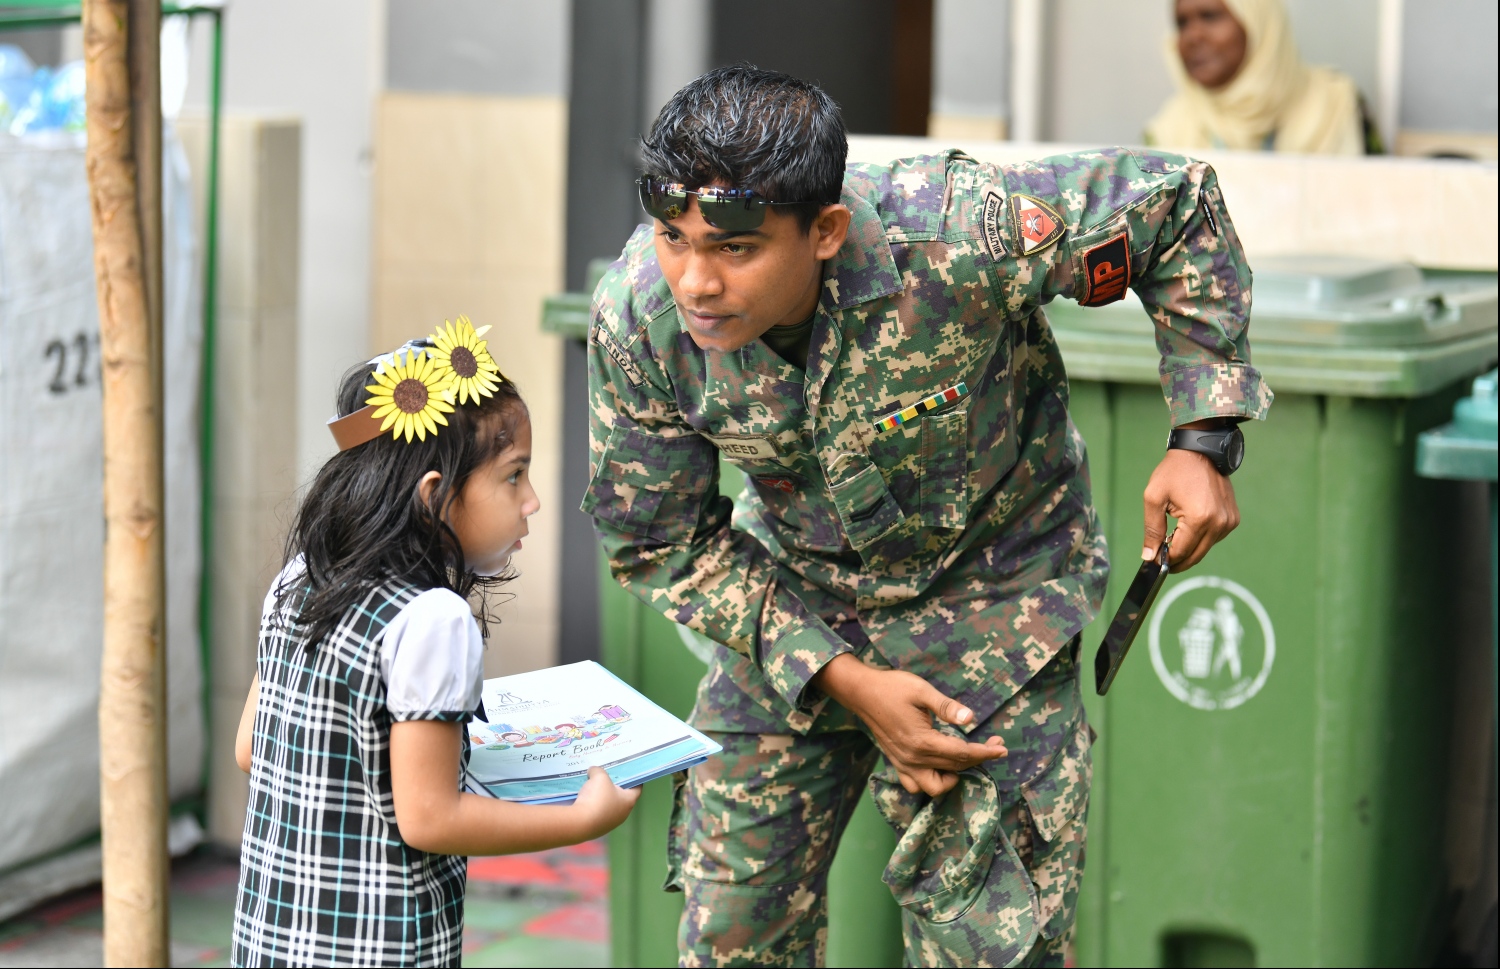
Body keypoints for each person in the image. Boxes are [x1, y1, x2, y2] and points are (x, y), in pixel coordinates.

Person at [584, 66, 1270, 967]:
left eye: (734, 250)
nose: (695, 281)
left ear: (825, 231)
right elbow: (658, 540)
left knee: (991, 947)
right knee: (731, 937)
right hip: (793, 610)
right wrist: (844, 677)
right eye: (674, 238)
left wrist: (1203, 436)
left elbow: (1176, 206)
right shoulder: (642, 316)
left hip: (993, 606)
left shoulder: (958, 230)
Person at [231, 318, 639, 966]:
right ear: (433, 498)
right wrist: (582, 819)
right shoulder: (433, 619)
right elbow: (429, 818)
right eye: (514, 476)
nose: (532, 501)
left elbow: (255, 747)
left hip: (270, 945)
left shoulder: (299, 578)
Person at [1146, 0, 1377, 155]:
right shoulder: (1166, 132)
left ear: (1261, 23)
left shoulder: (1336, 105)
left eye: (1209, 16)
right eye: (1182, 23)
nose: (1192, 37)